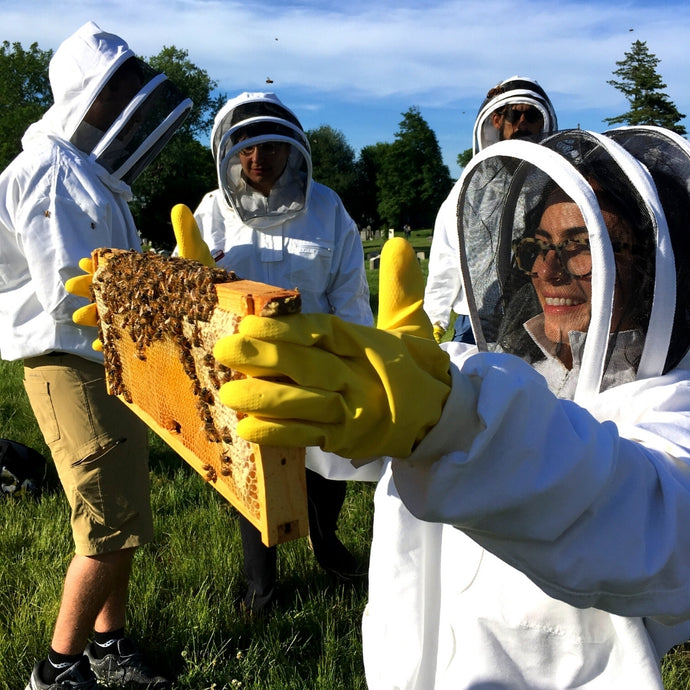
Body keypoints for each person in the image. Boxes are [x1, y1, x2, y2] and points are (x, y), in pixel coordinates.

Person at [208, 127, 690, 688]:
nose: (549, 270)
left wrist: (453, 424)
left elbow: (650, 528)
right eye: (536, 246)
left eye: (582, 246)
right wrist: (225, 349)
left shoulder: (668, 402)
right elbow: (360, 452)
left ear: (651, 261)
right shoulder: (473, 367)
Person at [0, 21, 192, 690]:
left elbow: (109, 272)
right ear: (92, 92)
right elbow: (70, 291)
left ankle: (108, 647)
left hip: (105, 358)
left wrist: (162, 280)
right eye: (120, 89)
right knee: (107, 525)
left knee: (125, 514)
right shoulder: (52, 172)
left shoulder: (87, 174)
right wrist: (163, 293)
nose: (130, 103)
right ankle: (57, 670)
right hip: (69, 359)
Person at [185, 91, 377, 615]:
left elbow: (349, 290)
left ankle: (326, 541)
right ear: (228, 153)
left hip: (317, 358)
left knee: (328, 464)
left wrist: (357, 357)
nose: (257, 158)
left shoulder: (327, 207)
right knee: (253, 471)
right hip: (242, 365)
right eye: (245, 147)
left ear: (291, 149)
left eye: (268, 146)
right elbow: (191, 290)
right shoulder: (211, 211)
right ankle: (261, 588)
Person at [424, 76, 557, 344]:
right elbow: (447, 255)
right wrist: (434, 321)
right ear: (496, 119)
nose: (523, 124)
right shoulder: (468, 187)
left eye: (532, 116)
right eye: (514, 115)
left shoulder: (554, 184)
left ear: (543, 122)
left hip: (537, 315)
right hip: (476, 318)